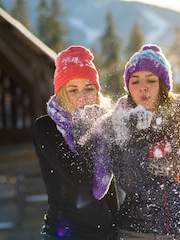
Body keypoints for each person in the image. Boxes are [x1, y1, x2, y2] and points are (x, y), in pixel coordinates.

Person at [91, 44, 180, 240]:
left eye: (151, 80)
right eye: (134, 81)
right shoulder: (117, 124)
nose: (142, 87)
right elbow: (126, 182)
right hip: (134, 232)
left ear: (163, 84)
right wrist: (140, 139)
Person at [33, 46, 117, 240]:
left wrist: (115, 228)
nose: (82, 97)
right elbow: (81, 178)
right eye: (73, 90)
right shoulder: (46, 128)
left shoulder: (103, 125)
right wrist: (85, 127)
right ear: (62, 93)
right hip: (65, 233)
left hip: (105, 234)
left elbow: (109, 189)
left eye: (89, 88)